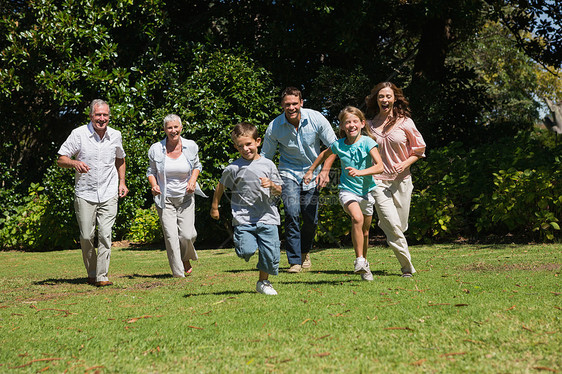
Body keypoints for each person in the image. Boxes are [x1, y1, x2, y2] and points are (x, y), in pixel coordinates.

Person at [261, 87, 338, 273]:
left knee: (311, 219)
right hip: (288, 172)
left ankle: (305, 252)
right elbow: (265, 157)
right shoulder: (275, 127)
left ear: (301, 103)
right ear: (282, 105)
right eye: (287, 104)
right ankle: (294, 261)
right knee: (292, 212)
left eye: (295, 103)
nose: (291, 107)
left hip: (313, 173)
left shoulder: (316, 118)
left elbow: (334, 146)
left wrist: (325, 171)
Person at [304, 106, 383, 281]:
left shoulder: (368, 142)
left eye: (355, 121)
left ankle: (365, 264)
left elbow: (380, 166)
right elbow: (325, 154)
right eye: (347, 122)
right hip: (347, 191)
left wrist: (360, 172)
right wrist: (311, 171)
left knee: (365, 232)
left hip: (367, 192)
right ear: (342, 126)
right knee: (357, 218)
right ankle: (359, 259)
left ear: (362, 123)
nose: (351, 125)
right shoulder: (338, 145)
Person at [57, 99, 128, 287]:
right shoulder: (78, 134)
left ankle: (102, 276)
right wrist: (74, 163)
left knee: (105, 234)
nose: (102, 119)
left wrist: (122, 182)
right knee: (87, 236)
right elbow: (61, 159)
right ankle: (92, 272)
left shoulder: (115, 135)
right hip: (85, 193)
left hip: (109, 191)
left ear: (109, 117)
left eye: (105, 115)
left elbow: (120, 159)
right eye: (98, 115)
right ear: (91, 116)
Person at [210, 122, 283, 295]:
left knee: (270, 254)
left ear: (257, 141)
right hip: (244, 218)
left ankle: (263, 282)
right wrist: (214, 207)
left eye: (249, 144)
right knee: (246, 251)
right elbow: (221, 187)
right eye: (241, 146)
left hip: (268, 216)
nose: (245, 149)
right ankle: (246, 246)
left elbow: (280, 190)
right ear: (236, 147)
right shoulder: (233, 168)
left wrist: (271, 184)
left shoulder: (268, 165)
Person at [365, 82, 426, 277]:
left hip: (402, 180)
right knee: (392, 224)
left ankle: (387, 223)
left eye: (388, 96)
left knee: (399, 224)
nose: (385, 100)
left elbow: (419, 150)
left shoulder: (405, 122)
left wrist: (405, 163)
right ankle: (407, 267)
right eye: (381, 96)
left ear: (394, 99)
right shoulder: (368, 125)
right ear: (376, 99)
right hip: (377, 181)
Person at [147, 114, 205, 278]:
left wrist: (193, 180)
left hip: (186, 197)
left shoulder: (190, 146)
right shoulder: (156, 149)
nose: (173, 130)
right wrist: (154, 185)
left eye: (175, 127)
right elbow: (151, 171)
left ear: (181, 128)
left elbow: (197, 165)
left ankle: (185, 257)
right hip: (164, 199)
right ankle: (178, 274)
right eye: (169, 128)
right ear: (165, 130)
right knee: (171, 237)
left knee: (188, 235)